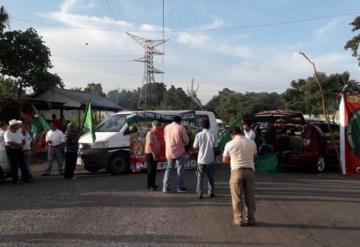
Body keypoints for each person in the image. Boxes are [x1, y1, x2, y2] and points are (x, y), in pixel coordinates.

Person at [222, 127, 257, 226]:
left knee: (237, 196)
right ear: (241, 133)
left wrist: (233, 161)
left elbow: (224, 160)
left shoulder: (229, 144)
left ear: (232, 135)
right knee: (250, 196)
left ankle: (238, 219)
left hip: (236, 171)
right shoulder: (252, 143)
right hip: (250, 171)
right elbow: (254, 157)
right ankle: (251, 218)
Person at [163, 116, 189, 193]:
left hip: (169, 151)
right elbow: (186, 140)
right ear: (179, 121)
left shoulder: (166, 127)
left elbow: (165, 138)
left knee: (168, 169)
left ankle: (165, 187)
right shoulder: (181, 128)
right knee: (180, 170)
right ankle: (180, 187)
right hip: (179, 151)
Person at [193, 119, 218, 199]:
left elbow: (195, 146)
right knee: (211, 177)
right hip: (210, 159)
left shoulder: (198, 135)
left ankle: (199, 194)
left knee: (200, 177)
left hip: (200, 159)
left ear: (201, 126)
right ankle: (211, 192)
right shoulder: (213, 134)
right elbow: (215, 146)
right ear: (209, 126)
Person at [4, 120, 33, 184]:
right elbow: (9, 142)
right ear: (13, 126)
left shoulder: (18, 132)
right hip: (12, 150)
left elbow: (23, 140)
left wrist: (21, 145)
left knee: (23, 164)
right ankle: (15, 180)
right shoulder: (7, 133)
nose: (18, 126)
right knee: (14, 165)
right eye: (17, 125)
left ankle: (25, 178)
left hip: (19, 149)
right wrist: (18, 145)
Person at [144, 120, 163, 191]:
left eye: (158, 125)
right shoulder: (150, 133)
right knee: (150, 169)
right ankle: (149, 185)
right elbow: (150, 144)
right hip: (150, 153)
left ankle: (153, 183)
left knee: (154, 170)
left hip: (155, 153)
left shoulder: (156, 133)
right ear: (153, 125)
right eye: (156, 125)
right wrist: (154, 154)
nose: (157, 126)